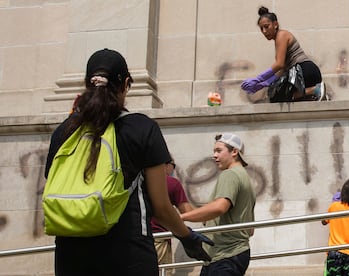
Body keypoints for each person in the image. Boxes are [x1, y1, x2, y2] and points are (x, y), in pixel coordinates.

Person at [44, 48, 213, 276]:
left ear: (86, 84)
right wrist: (186, 236)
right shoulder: (142, 129)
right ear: (125, 85)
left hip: (70, 256)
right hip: (128, 255)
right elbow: (161, 208)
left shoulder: (63, 132)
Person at [181, 133, 256, 276]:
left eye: (219, 151)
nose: (214, 155)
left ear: (234, 152)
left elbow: (220, 207)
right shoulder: (245, 178)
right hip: (228, 256)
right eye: (214, 151)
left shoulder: (230, 175)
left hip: (225, 256)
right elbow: (250, 230)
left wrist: (182, 217)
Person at [241, 6, 326, 101]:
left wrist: (258, 79)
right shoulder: (279, 40)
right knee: (276, 96)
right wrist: (264, 84)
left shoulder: (281, 35)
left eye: (266, 26)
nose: (264, 31)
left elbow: (279, 64)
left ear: (275, 24)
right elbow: (282, 70)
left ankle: (315, 90)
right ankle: (314, 94)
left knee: (277, 96)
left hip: (304, 71)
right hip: (305, 72)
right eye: (261, 29)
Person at [151, 159, 194, 275]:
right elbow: (187, 211)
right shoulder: (171, 183)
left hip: (138, 240)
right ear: (167, 165)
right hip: (160, 240)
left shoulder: (140, 181)